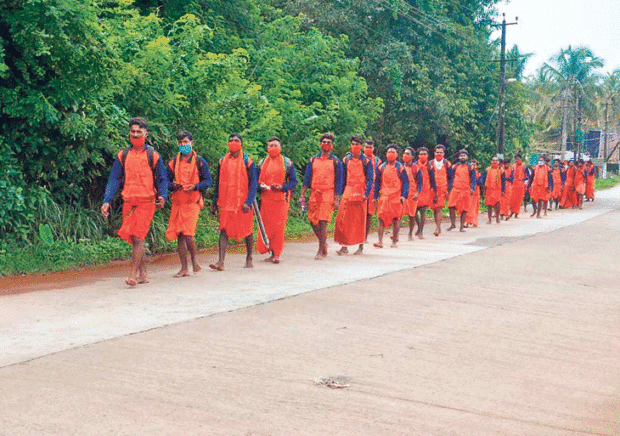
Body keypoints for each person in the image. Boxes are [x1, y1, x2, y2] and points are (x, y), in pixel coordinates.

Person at [102, 117, 169, 287]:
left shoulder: (153, 155)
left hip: (147, 202)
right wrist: (107, 200)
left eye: (139, 131)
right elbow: (114, 179)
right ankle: (144, 274)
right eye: (133, 131)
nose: (136, 134)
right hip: (129, 202)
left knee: (138, 237)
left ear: (146, 133)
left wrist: (163, 196)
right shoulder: (123, 155)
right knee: (134, 238)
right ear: (129, 133)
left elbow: (162, 179)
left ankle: (132, 275)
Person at [165, 131, 212, 278]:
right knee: (179, 234)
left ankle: (194, 260)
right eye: (180, 143)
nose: (183, 145)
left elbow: (208, 182)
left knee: (188, 233)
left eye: (185, 142)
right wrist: (173, 186)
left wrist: (195, 186)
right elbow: (165, 181)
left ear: (192, 142)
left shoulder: (200, 161)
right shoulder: (173, 162)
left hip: (193, 201)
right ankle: (184, 268)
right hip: (178, 201)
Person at [210, 133, 258, 271]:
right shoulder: (222, 161)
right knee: (223, 230)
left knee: (247, 231)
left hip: (243, 203)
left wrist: (248, 202)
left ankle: (249, 258)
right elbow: (218, 182)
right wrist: (215, 203)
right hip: (226, 203)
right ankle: (220, 261)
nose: (233, 142)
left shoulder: (247, 161)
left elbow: (254, 183)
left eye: (236, 140)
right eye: (230, 140)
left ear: (241, 144)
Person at [300, 133, 344, 259]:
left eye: (329, 142)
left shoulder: (336, 161)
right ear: (320, 144)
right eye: (324, 142)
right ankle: (323, 242)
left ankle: (321, 251)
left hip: (328, 193)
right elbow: (307, 178)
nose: (326, 144)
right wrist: (302, 194)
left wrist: (336, 198)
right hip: (315, 192)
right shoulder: (313, 159)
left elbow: (339, 181)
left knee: (323, 221)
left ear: (332, 146)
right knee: (312, 220)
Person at [255, 137, 298, 264]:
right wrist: (260, 187)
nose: (273, 148)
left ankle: (277, 254)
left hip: (281, 199)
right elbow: (256, 181)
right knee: (267, 226)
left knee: (279, 228)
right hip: (267, 199)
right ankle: (270, 250)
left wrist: (282, 187)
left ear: (280, 148)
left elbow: (293, 181)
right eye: (270, 145)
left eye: (275, 145)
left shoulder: (287, 163)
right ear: (267, 148)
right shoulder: (262, 163)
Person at [334, 135, 373, 255]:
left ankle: (360, 246)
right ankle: (344, 245)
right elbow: (342, 178)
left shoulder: (366, 161)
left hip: (361, 191)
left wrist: (366, 194)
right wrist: (338, 194)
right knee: (343, 218)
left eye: (357, 144)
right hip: (348, 190)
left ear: (361, 146)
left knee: (360, 219)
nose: (355, 146)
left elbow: (370, 179)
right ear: (350, 146)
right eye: (353, 144)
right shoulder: (346, 160)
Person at [373, 145, 409, 248]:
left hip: (396, 197)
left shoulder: (400, 168)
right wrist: (375, 196)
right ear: (386, 154)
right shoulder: (381, 167)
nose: (390, 154)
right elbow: (377, 183)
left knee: (395, 219)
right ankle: (380, 241)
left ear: (397, 155)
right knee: (380, 217)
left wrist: (404, 195)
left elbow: (406, 182)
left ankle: (394, 242)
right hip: (384, 196)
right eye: (389, 152)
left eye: (393, 152)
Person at [447, 150, 475, 232]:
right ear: (458, 157)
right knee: (451, 206)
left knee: (464, 209)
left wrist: (472, 188)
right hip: (455, 188)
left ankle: (461, 227)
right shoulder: (454, 167)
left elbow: (473, 179)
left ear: (467, 157)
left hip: (466, 189)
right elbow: (451, 178)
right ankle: (453, 224)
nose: (462, 157)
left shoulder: (471, 167)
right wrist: (449, 188)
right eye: (461, 155)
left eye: (464, 155)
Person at [401, 147, 423, 240]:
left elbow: (421, 182)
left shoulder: (416, 168)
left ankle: (410, 234)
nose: (405, 155)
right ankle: (395, 234)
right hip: (402, 193)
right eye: (404, 153)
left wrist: (417, 193)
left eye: (408, 153)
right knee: (398, 214)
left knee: (412, 215)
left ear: (412, 156)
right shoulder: (400, 166)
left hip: (412, 194)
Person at [429, 145, 452, 236]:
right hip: (433, 189)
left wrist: (449, 189)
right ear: (434, 153)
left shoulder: (447, 163)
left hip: (443, 188)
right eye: (437, 152)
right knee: (434, 208)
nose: (439, 154)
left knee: (439, 208)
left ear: (444, 153)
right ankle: (437, 225)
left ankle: (438, 228)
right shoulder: (430, 163)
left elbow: (451, 178)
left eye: (441, 152)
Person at [363, 140, 381, 243]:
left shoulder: (377, 161)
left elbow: (378, 178)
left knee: (369, 214)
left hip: (372, 189)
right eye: (366, 147)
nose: (368, 149)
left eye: (370, 147)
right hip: (361, 187)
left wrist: (377, 193)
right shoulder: (360, 158)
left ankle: (365, 236)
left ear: (373, 148)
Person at [414, 147, 434, 239]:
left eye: (424, 154)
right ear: (418, 155)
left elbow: (433, 180)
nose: (423, 156)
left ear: (427, 156)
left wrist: (434, 191)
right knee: (414, 212)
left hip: (426, 191)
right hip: (416, 190)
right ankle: (418, 227)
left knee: (423, 212)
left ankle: (421, 232)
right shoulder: (414, 165)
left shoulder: (430, 167)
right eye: (421, 154)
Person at [484, 156, 504, 224]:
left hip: (497, 189)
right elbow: (484, 179)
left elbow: (503, 181)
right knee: (489, 205)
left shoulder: (501, 170)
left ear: (498, 162)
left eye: (496, 160)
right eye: (493, 160)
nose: (495, 161)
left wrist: (503, 190)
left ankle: (497, 218)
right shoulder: (487, 170)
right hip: (489, 189)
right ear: (491, 162)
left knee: (497, 204)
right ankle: (489, 219)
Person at [465, 159, 482, 228]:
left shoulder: (479, 174)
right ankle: (467, 221)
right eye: (472, 164)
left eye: (475, 164)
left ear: (477, 166)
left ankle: (474, 221)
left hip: (475, 192)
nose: (473, 166)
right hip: (468, 190)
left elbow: (480, 182)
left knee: (475, 207)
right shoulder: (467, 172)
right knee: (467, 206)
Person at [509, 154, 527, 219]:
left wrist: (523, 179)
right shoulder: (513, 166)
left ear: (521, 159)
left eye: (518, 159)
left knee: (519, 200)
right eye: (516, 159)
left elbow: (529, 176)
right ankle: (512, 211)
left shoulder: (524, 166)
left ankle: (516, 213)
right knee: (512, 199)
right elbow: (510, 174)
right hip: (514, 184)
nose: (517, 160)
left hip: (520, 185)